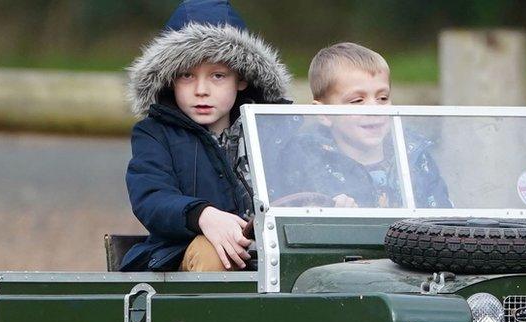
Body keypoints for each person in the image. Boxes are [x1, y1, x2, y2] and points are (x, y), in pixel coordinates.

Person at [120, 0, 291, 272]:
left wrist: (332, 199)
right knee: (214, 252)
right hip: (185, 252)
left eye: (218, 76)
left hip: (272, 248)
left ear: (242, 78)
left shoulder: (276, 129)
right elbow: (151, 196)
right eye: (187, 75)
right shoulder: (154, 133)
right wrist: (202, 216)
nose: (201, 90)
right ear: (169, 79)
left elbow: (306, 183)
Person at [271, 42, 451, 209]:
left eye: (383, 98)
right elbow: (292, 222)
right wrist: (328, 217)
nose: (374, 109)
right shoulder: (303, 162)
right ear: (324, 114)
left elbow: (443, 217)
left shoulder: (415, 156)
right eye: (357, 100)